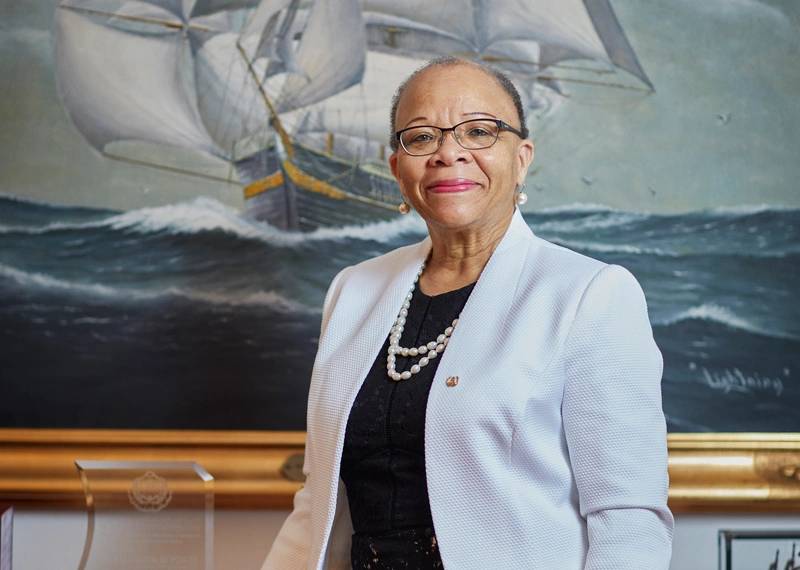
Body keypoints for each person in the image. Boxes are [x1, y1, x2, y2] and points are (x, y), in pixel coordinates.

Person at [261, 56, 674, 570]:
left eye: (479, 131)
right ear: (397, 169)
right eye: (421, 137)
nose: (448, 153)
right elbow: (317, 502)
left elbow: (628, 520)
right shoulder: (352, 291)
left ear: (521, 158)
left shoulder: (591, 294)